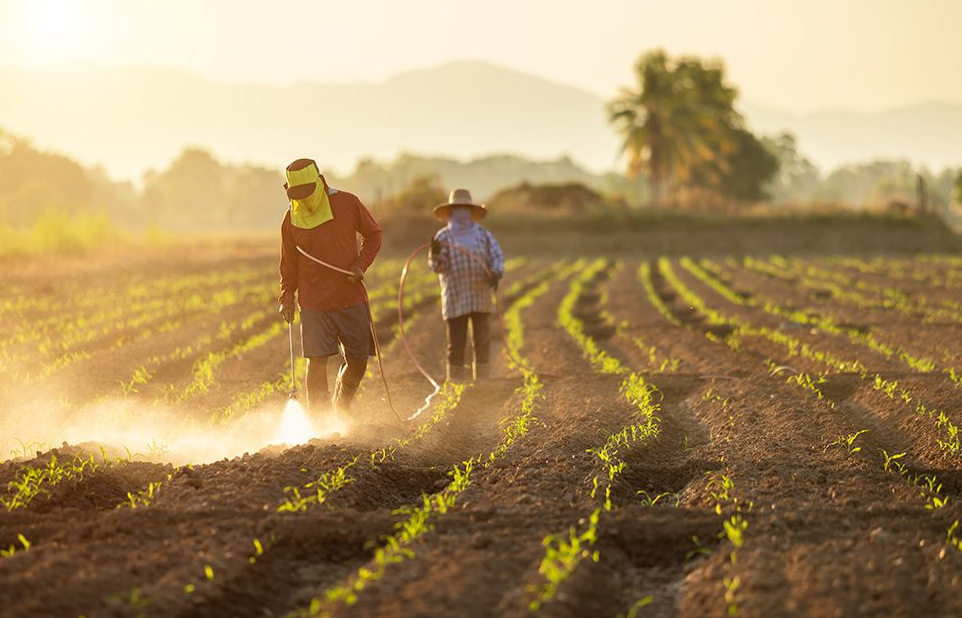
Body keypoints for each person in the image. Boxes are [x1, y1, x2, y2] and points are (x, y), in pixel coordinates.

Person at [278, 158, 382, 419]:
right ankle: (320, 424)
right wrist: (287, 296)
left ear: (320, 182)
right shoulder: (291, 218)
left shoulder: (347, 203)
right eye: (297, 194)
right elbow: (288, 263)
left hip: (350, 297)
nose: (303, 199)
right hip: (313, 303)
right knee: (316, 362)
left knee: (358, 363)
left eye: (307, 192)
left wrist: (361, 264)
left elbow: (374, 234)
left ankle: (342, 402)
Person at [428, 188, 505, 382]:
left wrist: (495, 272)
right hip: (455, 296)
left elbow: (496, 256)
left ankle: (483, 382)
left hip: (481, 294)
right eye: (458, 208)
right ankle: (456, 384)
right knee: (456, 343)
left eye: (465, 208)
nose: (461, 212)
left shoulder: (483, 235)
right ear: (451, 211)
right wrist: (436, 253)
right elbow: (437, 268)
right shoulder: (442, 237)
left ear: (470, 211)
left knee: (482, 340)